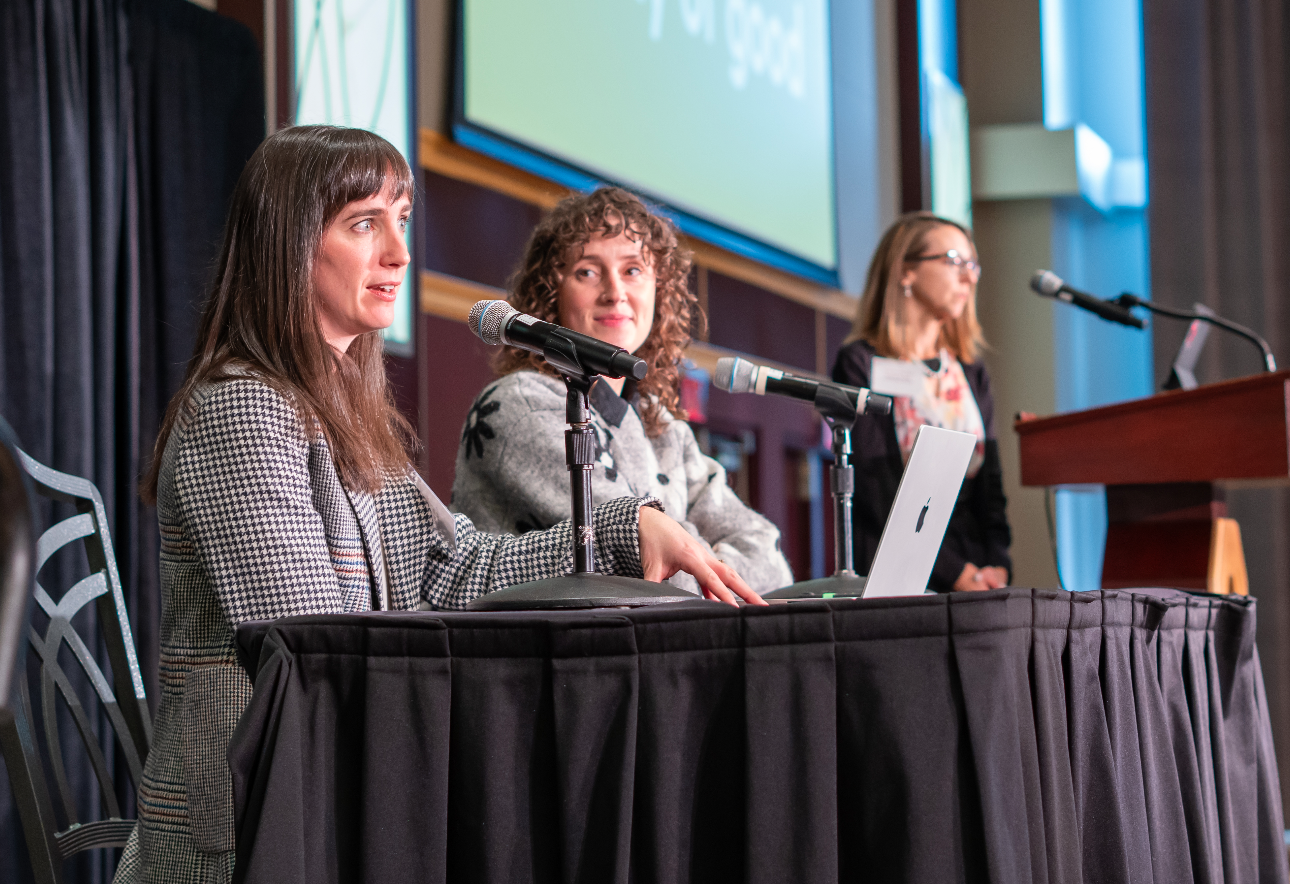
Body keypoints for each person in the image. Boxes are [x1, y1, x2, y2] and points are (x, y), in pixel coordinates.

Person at [113, 127, 762, 884]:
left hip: (326, 798)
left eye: (403, 221)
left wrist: (625, 530)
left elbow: (453, 568)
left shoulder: (340, 409)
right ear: (287, 247)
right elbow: (315, 652)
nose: (398, 251)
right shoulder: (244, 408)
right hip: (250, 834)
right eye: (365, 224)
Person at [452, 187, 794, 595]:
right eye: (588, 272)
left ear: (659, 289)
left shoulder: (661, 424)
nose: (615, 292)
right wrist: (713, 558)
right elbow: (654, 564)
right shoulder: (520, 406)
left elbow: (771, 562)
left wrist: (702, 560)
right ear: (550, 294)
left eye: (632, 270)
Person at [832, 211, 1012, 593]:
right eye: (953, 261)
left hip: (979, 570)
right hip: (902, 569)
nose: (969, 276)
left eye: (972, 264)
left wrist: (998, 561)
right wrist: (953, 572)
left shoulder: (969, 370)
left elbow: (990, 483)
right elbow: (874, 485)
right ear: (906, 270)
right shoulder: (861, 364)